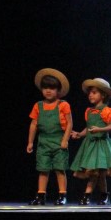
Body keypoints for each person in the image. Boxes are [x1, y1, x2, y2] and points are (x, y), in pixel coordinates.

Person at [69, 78, 111, 205]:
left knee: (96, 173)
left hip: (102, 145)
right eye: (90, 92)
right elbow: (88, 128)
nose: (90, 95)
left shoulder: (107, 111)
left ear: (103, 95)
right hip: (90, 145)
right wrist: (79, 134)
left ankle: (87, 195)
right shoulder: (89, 111)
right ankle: (104, 195)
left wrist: (99, 129)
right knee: (97, 173)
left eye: (94, 92)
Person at [27, 68, 73, 206]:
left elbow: (70, 124)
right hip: (43, 142)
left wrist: (65, 140)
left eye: (52, 88)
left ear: (58, 90)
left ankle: (62, 195)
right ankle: (41, 195)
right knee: (43, 169)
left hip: (59, 141)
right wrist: (30, 142)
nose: (48, 91)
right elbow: (33, 124)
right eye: (45, 88)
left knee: (60, 169)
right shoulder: (38, 106)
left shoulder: (63, 105)